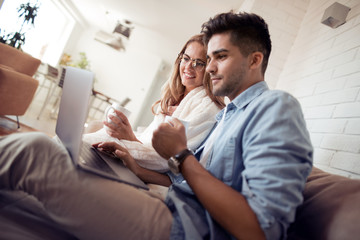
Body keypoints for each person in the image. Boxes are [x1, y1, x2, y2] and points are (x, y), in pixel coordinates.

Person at [0, 11, 313, 240]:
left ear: (254, 60)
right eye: (210, 57)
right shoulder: (230, 115)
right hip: (169, 204)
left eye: (219, 57)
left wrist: (181, 155)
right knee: (22, 198)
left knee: (34, 151)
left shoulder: (276, 108)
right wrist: (137, 168)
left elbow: (260, 230)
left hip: (183, 229)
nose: (210, 68)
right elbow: (186, 182)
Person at [83, 33, 224, 174]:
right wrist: (128, 135)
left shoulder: (208, 108)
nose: (188, 67)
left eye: (199, 63)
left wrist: (129, 138)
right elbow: (148, 140)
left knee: (89, 143)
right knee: (98, 132)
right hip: (138, 153)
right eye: (186, 58)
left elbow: (167, 159)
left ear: (210, 68)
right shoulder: (174, 95)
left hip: (149, 169)